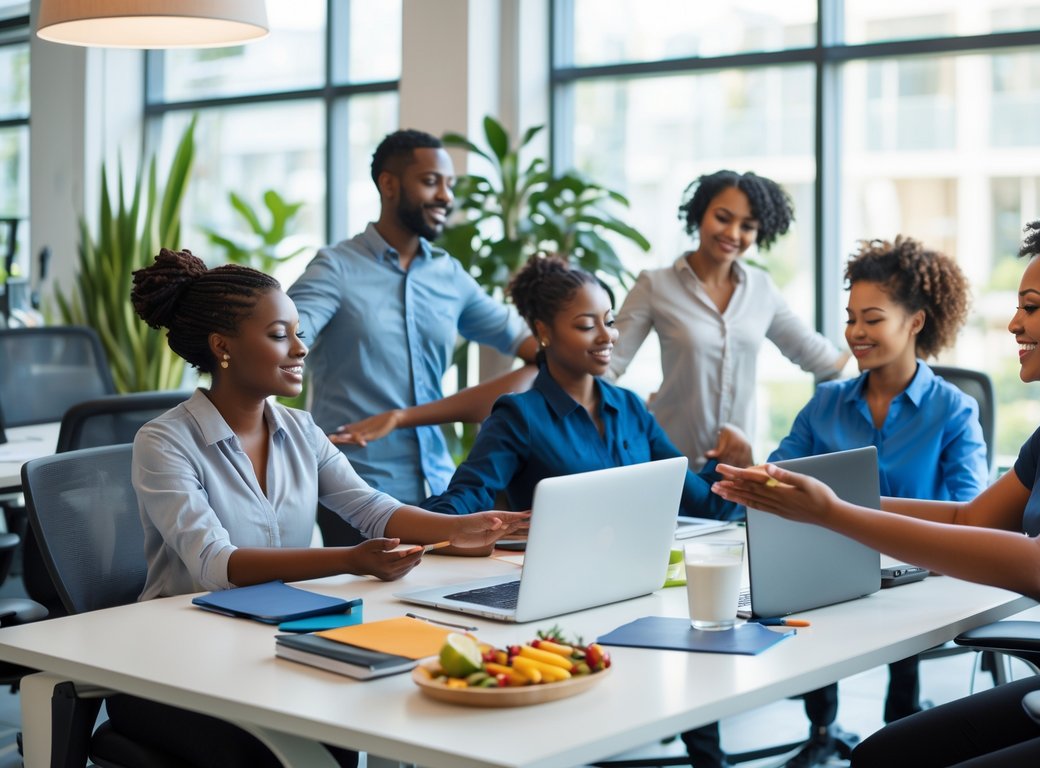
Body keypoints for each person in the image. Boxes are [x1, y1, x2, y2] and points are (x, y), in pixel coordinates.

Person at [714, 193, 1040, 768]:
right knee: (883, 757)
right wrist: (815, 503)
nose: (1014, 323)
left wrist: (834, 514)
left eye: (1031, 306)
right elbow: (969, 517)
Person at [119, 248, 527, 767]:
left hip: (273, 640)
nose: (299, 349)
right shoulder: (165, 441)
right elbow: (215, 564)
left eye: (298, 332)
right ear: (222, 347)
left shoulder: (300, 429)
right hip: (179, 664)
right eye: (278, 336)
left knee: (378, 709)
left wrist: (463, 527)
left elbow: (371, 508)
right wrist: (349, 559)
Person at [773, 236, 987, 767]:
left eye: (872, 318)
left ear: (915, 321)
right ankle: (822, 730)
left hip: (918, 575)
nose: (855, 333)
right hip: (830, 570)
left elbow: (972, 509)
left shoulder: (954, 412)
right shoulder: (825, 404)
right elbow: (779, 476)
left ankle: (904, 731)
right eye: (850, 319)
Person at [288, 128, 538, 506]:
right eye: (430, 182)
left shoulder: (449, 275)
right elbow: (284, 341)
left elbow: (536, 348)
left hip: (436, 486)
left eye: (449, 184)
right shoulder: (335, 268)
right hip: (353, 490)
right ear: (388, 184)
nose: (445, 196)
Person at [421, 254, 740, 523]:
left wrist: (736, 466)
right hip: (558, 583)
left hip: (637, 580)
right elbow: (463, 501)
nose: (607, 336)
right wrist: (404, 526)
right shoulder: (519, 416)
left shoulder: (630, 408)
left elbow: (703, 502)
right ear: (543, 332)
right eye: (587, 326)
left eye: (610, 322)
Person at [607, 170, 849, 472]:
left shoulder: (762, 289)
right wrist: (634, 417)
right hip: (671, 467)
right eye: (723, 218)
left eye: (747, 226)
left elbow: (827, 363)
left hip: (740, 472)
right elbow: (607, 367)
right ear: (700, 214)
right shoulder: (655, 285)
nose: (733, 234)